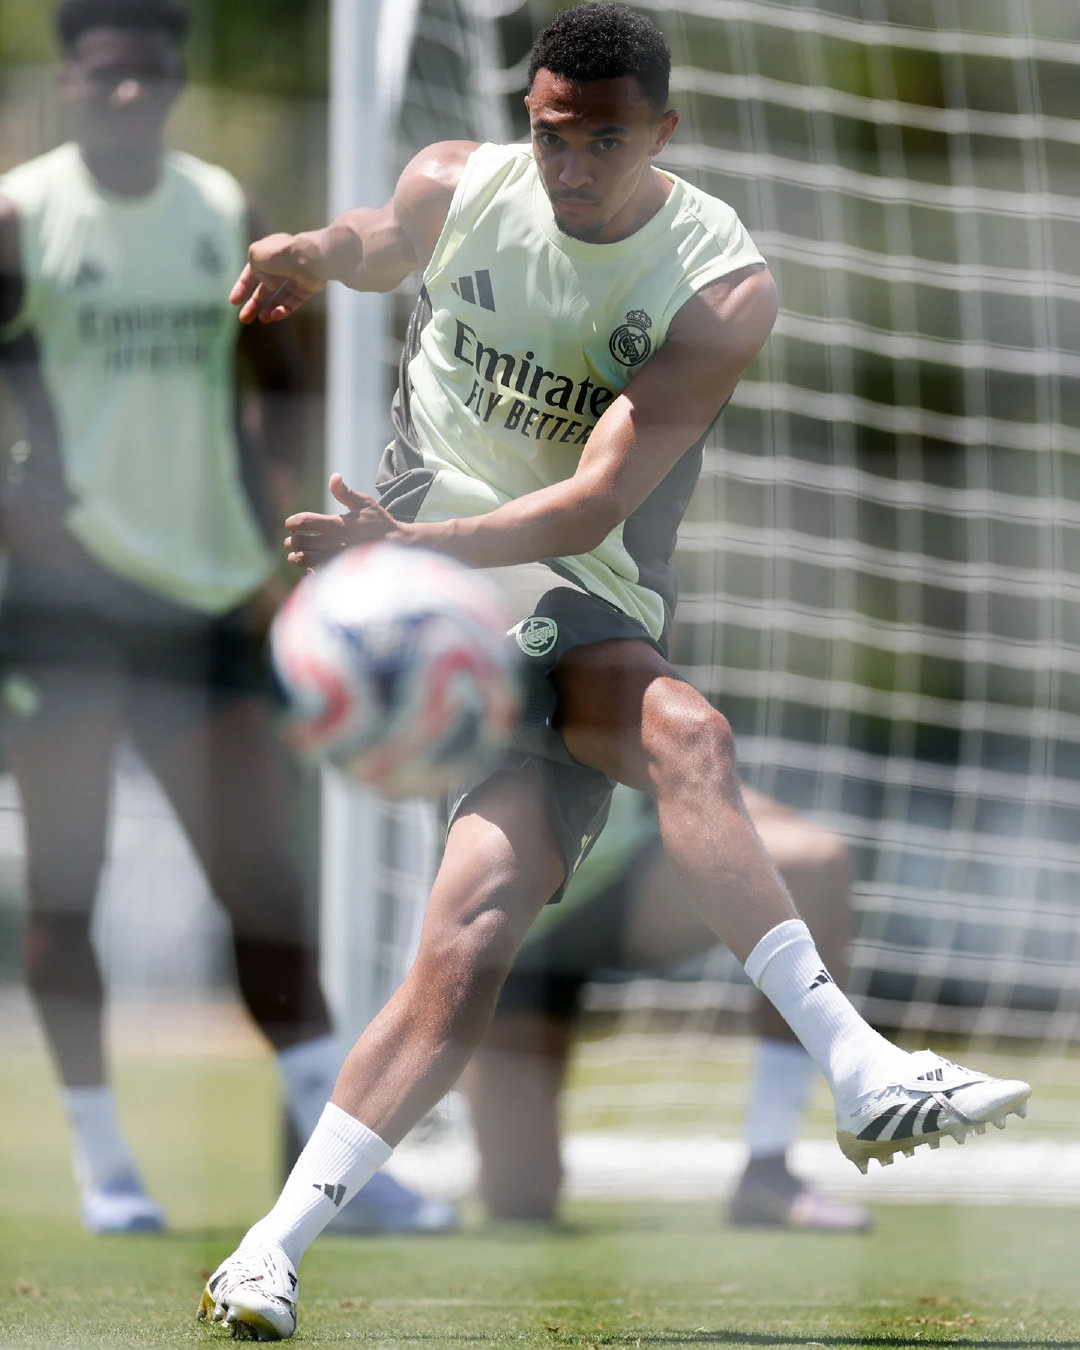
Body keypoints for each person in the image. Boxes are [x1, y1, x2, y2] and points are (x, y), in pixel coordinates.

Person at [198, 4, 1030, 1338]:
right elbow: (380, 239)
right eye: (550, 135)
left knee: (594, 824)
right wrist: (312, 249)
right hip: (434, 602)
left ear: (662, 133)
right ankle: (268, 1253)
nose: (570, 165)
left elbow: (592, 503)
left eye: (603, 141)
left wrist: (416, 544)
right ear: (524, 120)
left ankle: (856, 1067)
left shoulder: (719, 285)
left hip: (565, 582)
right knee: (537, 878)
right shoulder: (459, 186)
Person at [0, 0, 454, 1238]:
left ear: (176, 80)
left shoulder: (219, 211)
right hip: (64, 609)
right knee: (68, 890)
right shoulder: (23, 216)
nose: (130, 96)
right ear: (70, 82)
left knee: (261, 884)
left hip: (202, 601)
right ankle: (105, 1168)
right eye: (107, 76)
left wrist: (271, 536)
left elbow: (275, 382)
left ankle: (339, 1172)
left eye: (151, 76)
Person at [465, 783, 872, 1232]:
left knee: (814, 862)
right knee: (520, 1202)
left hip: (625, 879)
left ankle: (769, 1168)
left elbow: (669, 762)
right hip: (516, 922)